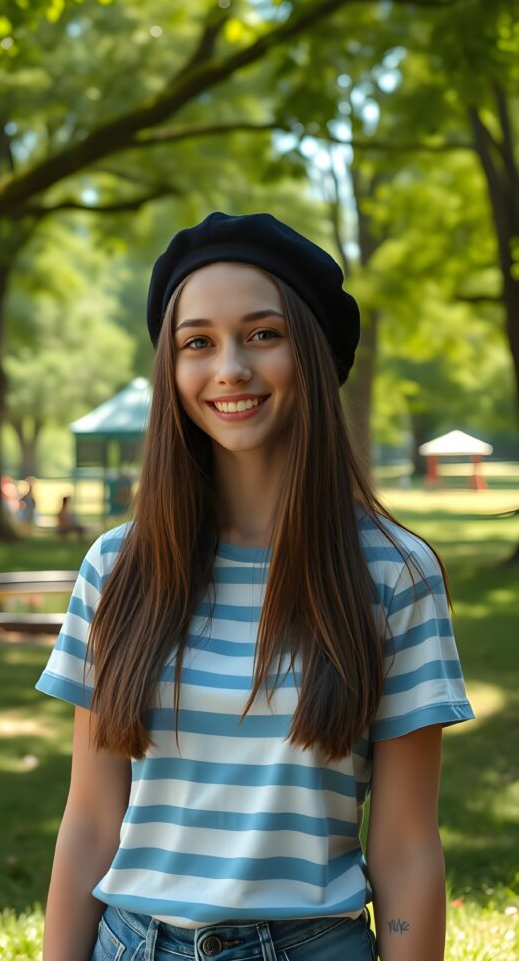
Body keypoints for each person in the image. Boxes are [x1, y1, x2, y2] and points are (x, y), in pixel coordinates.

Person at [36, 213, 474, 961]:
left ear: (313, 353)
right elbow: (89, 823)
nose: (230, 368)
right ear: (171, 370)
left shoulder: (394, 574)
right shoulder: (116, 568)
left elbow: (405, 847)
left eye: (262, 334)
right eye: (197, 342)